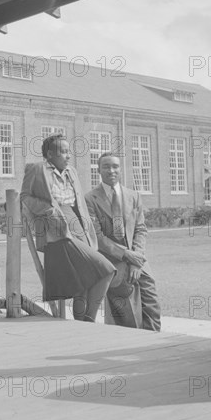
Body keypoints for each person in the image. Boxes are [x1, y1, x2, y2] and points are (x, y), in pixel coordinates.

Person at [20, 135, 116, 322]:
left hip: (78, 224)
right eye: (63, 152)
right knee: (107, 269)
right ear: (49, 154)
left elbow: (78, 203)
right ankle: (89, 319)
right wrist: (48, 211)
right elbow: (25, 197)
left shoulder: (71, 171)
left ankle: (84, 322)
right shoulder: (37, 169)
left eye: (68, 151)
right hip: (57, 230)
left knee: (85, 277)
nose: (68, 156)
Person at [85, 152, 161, 331]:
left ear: (121, 169)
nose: (111, 170)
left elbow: (141, 229)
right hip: (112, 261)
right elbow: (97, 236)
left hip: (137, 259)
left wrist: (136, 259)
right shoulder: (90, 199)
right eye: (106, 167)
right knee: (125, 308)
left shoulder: (133, 196)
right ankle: (130, 341)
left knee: (152, 303)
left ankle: (154, 340)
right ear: (99, 170)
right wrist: (126, 255)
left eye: (115, 166)